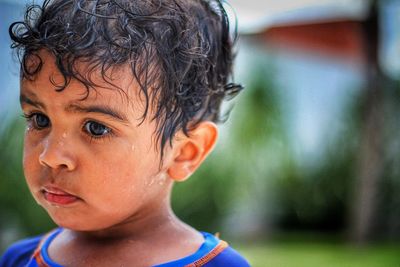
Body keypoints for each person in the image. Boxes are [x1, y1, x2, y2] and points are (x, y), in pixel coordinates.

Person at [1, 0, 249, 266]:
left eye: (95, 128)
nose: (50, 156)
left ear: (184, 153)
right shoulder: (20, 258)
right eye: (40, 119)